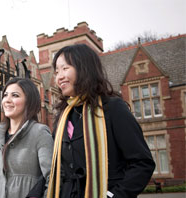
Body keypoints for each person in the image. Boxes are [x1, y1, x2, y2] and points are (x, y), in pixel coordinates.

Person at [47, 44, 155, 198]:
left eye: (65, 68)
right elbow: (57, 168)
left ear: (84, 68)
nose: (59, 77)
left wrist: (114, 195)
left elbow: (142, 163)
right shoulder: (63, 116)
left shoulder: (113, 108)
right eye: (57, 72)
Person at [0, 77, 54, 198]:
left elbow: (52, 178)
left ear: (29, 101)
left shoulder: (39, 133)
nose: (7, 100)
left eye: (15, 95)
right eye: (5, 95)